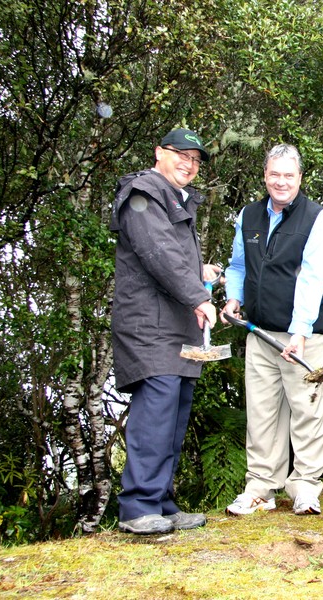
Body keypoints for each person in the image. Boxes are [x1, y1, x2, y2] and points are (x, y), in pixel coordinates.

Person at [110, 127, 220, 535]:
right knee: (154, 414)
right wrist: (198, 294)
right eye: (181, 154)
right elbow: (157, 253)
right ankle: (137, 506)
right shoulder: (143, 193)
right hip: (149, 327)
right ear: (159, 152)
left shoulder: (175, 197)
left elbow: (171, 257)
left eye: (195, 160)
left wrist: (200, 273)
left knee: (174, 415)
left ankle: (162, 502)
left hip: (178, 329)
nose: (188, 164)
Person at [221, 144, 323, 516]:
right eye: (275, 174)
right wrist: (233, 299)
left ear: (300, 178)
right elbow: (238, 265)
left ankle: (305, 488)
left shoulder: (318, 219)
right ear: (265, 176)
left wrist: (300, 332)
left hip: (305, 335)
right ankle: (261, 488)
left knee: (309, 410)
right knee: (262, 412)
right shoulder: (249, 215)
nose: (281, 182)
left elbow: (312, 277)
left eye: (289, 175)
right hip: (260, 333)